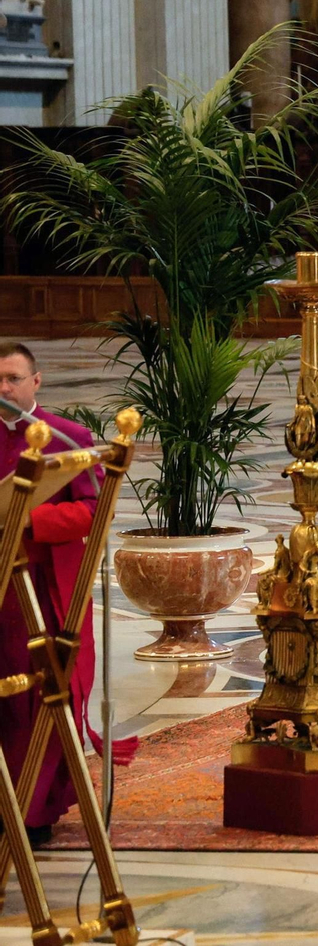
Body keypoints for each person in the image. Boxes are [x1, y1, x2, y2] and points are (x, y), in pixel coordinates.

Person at [0, 342, 100, 844]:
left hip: (43, 588)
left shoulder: (68, 437)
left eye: (12, 378)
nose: (3, 389)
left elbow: (91, 511)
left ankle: (33, 812)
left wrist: (29, 518)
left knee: (39, 696)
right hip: (0, 592)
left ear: (36, 381)